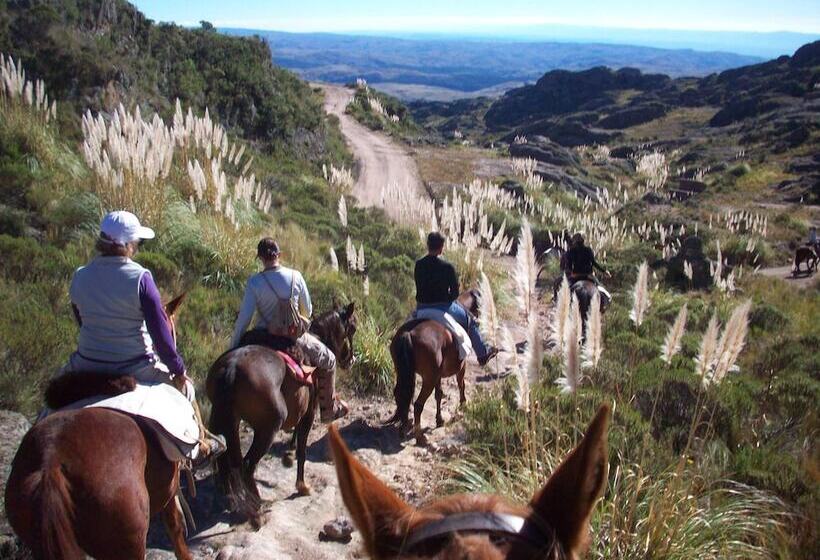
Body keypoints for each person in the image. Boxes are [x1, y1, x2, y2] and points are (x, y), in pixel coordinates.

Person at [64, 210, 225, 462]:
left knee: (49, 408)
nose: (137, 247)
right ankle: (199, 447)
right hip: (136, 367)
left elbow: (80, 318)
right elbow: (160, 332)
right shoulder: (140, 278)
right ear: (127, 245)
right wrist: (178, 369)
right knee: (188, 392)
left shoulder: (80, 275)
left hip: (85, 364)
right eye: (136, 243)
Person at [230, 238, 349, 422]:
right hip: (292, 337)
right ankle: (328, 411)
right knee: (330, 360)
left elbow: (244, 319)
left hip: (262, 335)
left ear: (260, 258)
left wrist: (233, 346)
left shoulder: (255, 282)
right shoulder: (295, 276)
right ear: (279, 255)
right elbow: (307, 311)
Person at [414, 232, 498, 366]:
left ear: (427, 245)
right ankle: (483, 353)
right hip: (443, 307)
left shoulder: (418, 264)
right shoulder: (447, 267)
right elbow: (454, 294)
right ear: (441, 247)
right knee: (471, 321)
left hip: (421, 308)